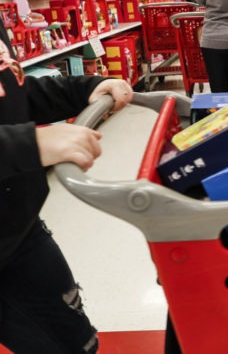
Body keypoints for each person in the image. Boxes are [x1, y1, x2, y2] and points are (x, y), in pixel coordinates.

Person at [0, 18, 133, 354]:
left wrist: (81, 90)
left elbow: (12, 92)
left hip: (19, 229)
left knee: (77, 343)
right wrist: (28, 144)